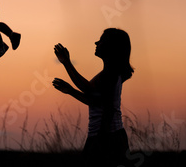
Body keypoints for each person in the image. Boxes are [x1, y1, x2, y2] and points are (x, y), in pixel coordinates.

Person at [52, 28, 134, 167]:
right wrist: (71, 91)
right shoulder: (109, 74)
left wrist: (67, 62)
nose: (96, 43)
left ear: (111, 46)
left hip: (106, 137)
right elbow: (94, 101)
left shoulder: (110, 75)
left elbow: (87, 89)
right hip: (109, 136)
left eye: (101, 40)